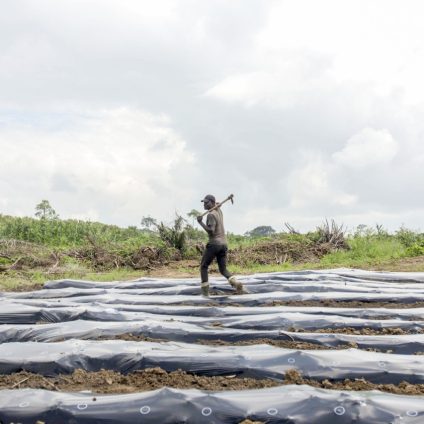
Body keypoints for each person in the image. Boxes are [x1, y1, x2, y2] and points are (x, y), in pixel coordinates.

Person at [197, 194, 245, 296]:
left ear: (212, 203)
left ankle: (204, 293)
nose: (204, 204)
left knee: (203, 266)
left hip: (214, 244)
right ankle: (235, 283)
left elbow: (211, 231)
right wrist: (217, 205)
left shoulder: (210, 215)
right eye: (204, 202)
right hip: (223, 244)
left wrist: (200, 222)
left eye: (207, 202)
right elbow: (218, 206)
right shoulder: (218, 211)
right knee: (223, 269)